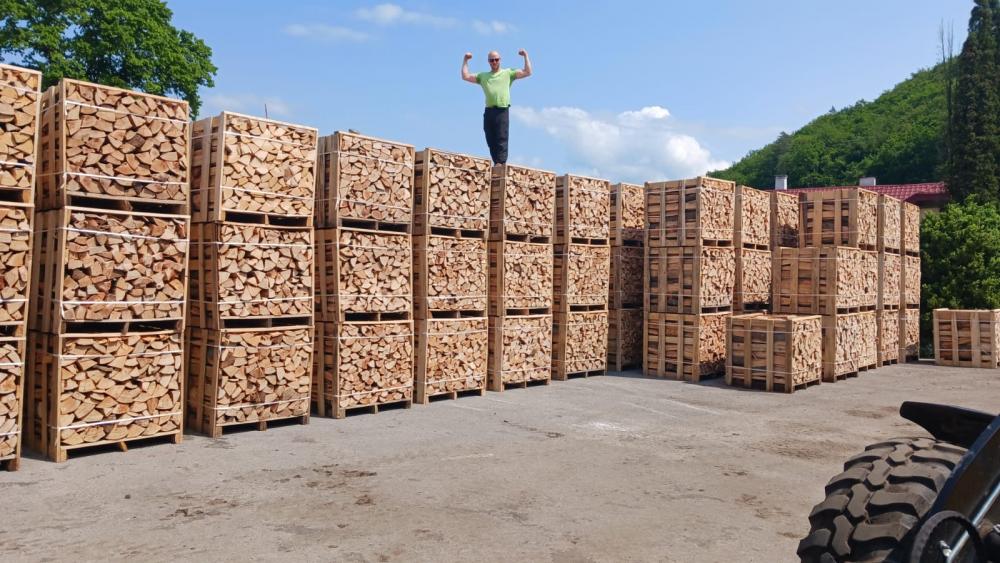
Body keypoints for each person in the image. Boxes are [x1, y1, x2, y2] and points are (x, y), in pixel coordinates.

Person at [461, 49, 532, 165]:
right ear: (488, 62)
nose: (494, 62)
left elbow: (527, 72)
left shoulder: (508, 73)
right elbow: (465, 76)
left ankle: (501, 163)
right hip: (489, 110)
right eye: (491, 60)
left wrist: (525, 55)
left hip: (502, 109)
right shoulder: (483, 76)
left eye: (496, 59)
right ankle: (496, 163)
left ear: (500, 60)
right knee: (490, 136)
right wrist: (465, 60)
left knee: (501, 137)